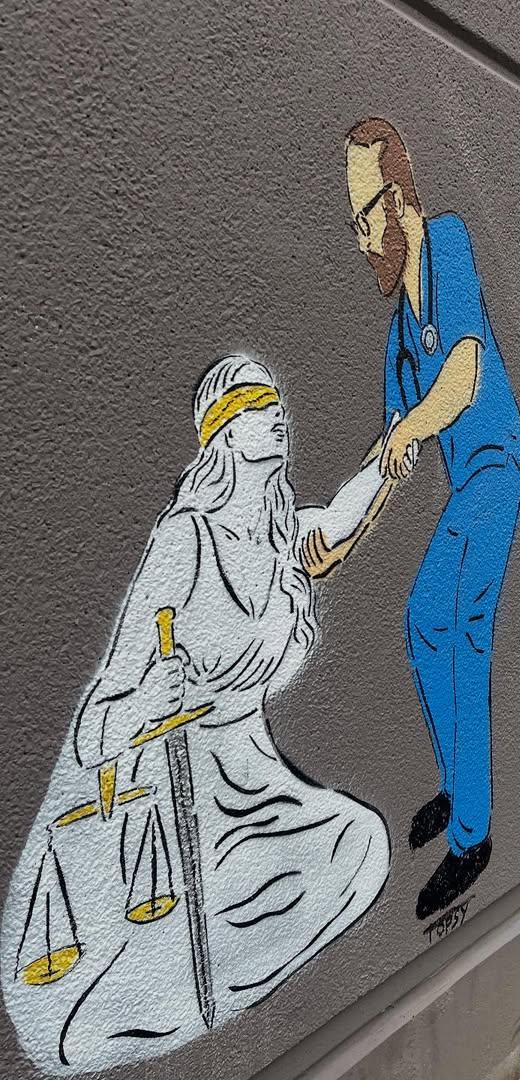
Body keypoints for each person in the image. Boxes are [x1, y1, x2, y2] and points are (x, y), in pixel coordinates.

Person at [1, 356, 397, 1072]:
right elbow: (95, 726)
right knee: (150, 966)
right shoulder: (185, 541)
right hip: (177, 808)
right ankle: (165, 993)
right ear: (222, 434)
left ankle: (211, 986)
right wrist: (149, 701)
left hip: (264, 792)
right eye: (254, 406)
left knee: (360, 844)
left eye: (275, 402)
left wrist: (399, 444)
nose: (275, 414)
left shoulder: (280, 540)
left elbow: (341, 515)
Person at [345, 117, 520, 920]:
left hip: (498, 465)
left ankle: (473, 835)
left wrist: (410, 427)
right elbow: (392, 455)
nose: (360, 238)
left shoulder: (448, 245)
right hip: (462, 485)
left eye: (363, 216)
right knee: (424, 621)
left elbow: (463, 373)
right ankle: (458, 790)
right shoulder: (396, 339)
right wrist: (336, 537)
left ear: (398, 196)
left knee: (464, 625)